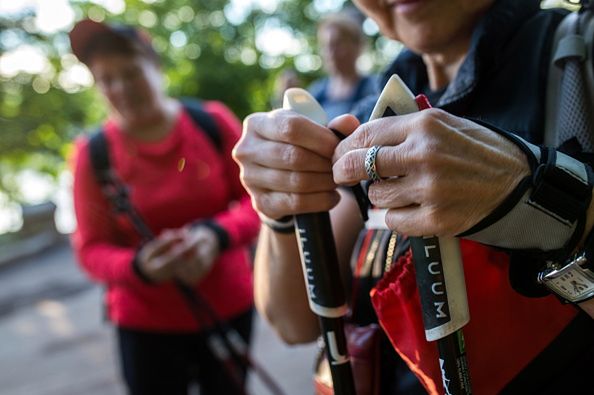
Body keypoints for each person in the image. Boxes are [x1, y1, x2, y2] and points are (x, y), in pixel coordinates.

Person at [233, 0, 594, 394]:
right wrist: (281, 205)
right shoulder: (370, 113)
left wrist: (537, 198)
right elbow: (294, 321)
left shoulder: (580, 61)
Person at [68, 19, 260, 395]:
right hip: (145, 323)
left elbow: (258, 199)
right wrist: (139, 266)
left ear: (155, 67)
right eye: (106, 79)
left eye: (131, 73)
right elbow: (90, 249)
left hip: (227, 305)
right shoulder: (94, 156)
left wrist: (216, 235)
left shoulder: (212, 122)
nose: (121, 88)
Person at [308, 11, 377, 120]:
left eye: (337, 44)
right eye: (326, 46)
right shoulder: (316, 93)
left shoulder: (375, 88)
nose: (331, 53)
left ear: (357, 46)